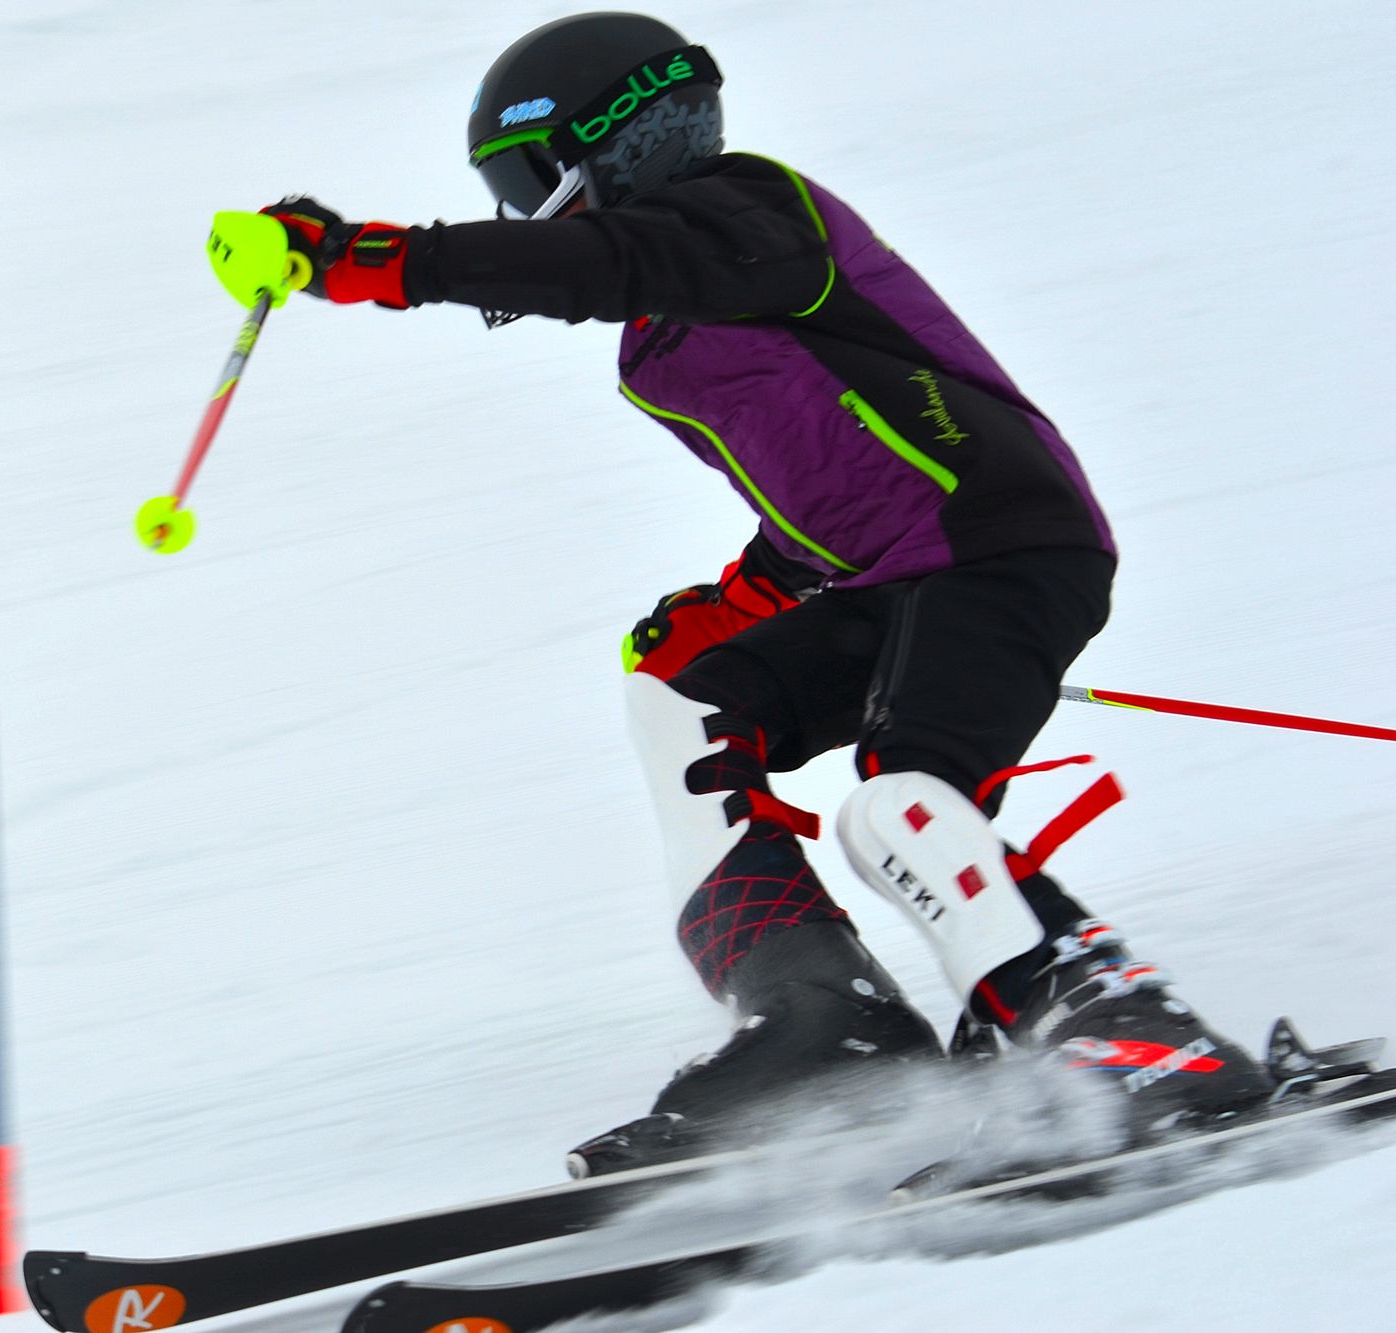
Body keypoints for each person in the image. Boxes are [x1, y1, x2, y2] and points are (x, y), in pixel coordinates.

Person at [218, 11, 1276, 1175]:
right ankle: (824, 1022)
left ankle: (1121, 1025)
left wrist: (365, 259)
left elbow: (604, 261)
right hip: (893, 571)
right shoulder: (664, 341)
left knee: (897, 803)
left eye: (527, 181)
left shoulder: (753, 217)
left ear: (620, 139)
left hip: (999, 544)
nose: (527, 216)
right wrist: (741, 599)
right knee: (680, 698)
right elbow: (830, 478)